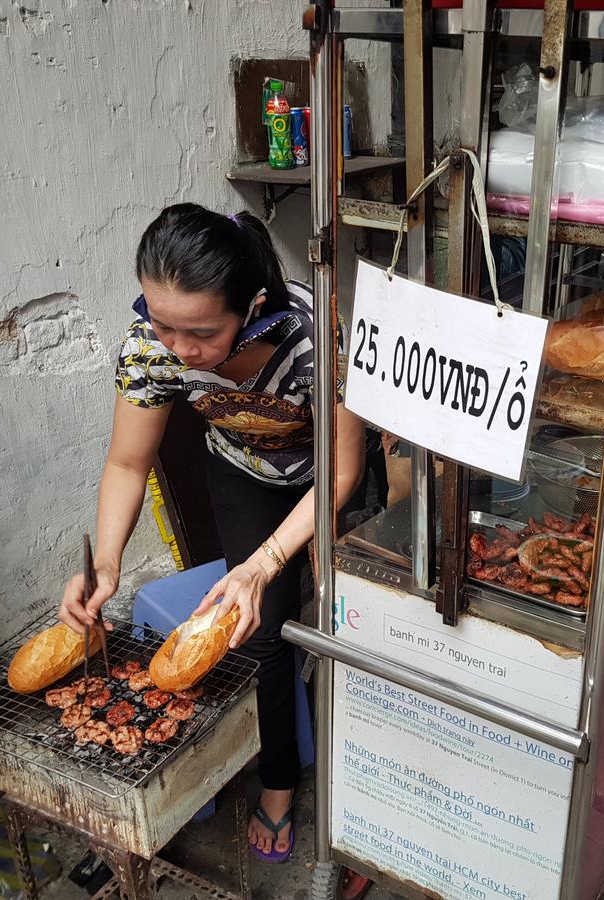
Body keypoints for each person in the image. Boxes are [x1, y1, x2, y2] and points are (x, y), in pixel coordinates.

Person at [58, 203, 369, 862]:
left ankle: (371, 764)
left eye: (198, 333)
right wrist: (106, 563)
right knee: (264, 625)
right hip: (245, 474)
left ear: (253, 306)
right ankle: (281, 781)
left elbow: (344, 469)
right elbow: (126, 462)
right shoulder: (153, 343)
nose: (178, 348)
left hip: (328, 475)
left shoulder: (318, 341)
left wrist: (269, 559)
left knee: (358, 617)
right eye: (161, 322)